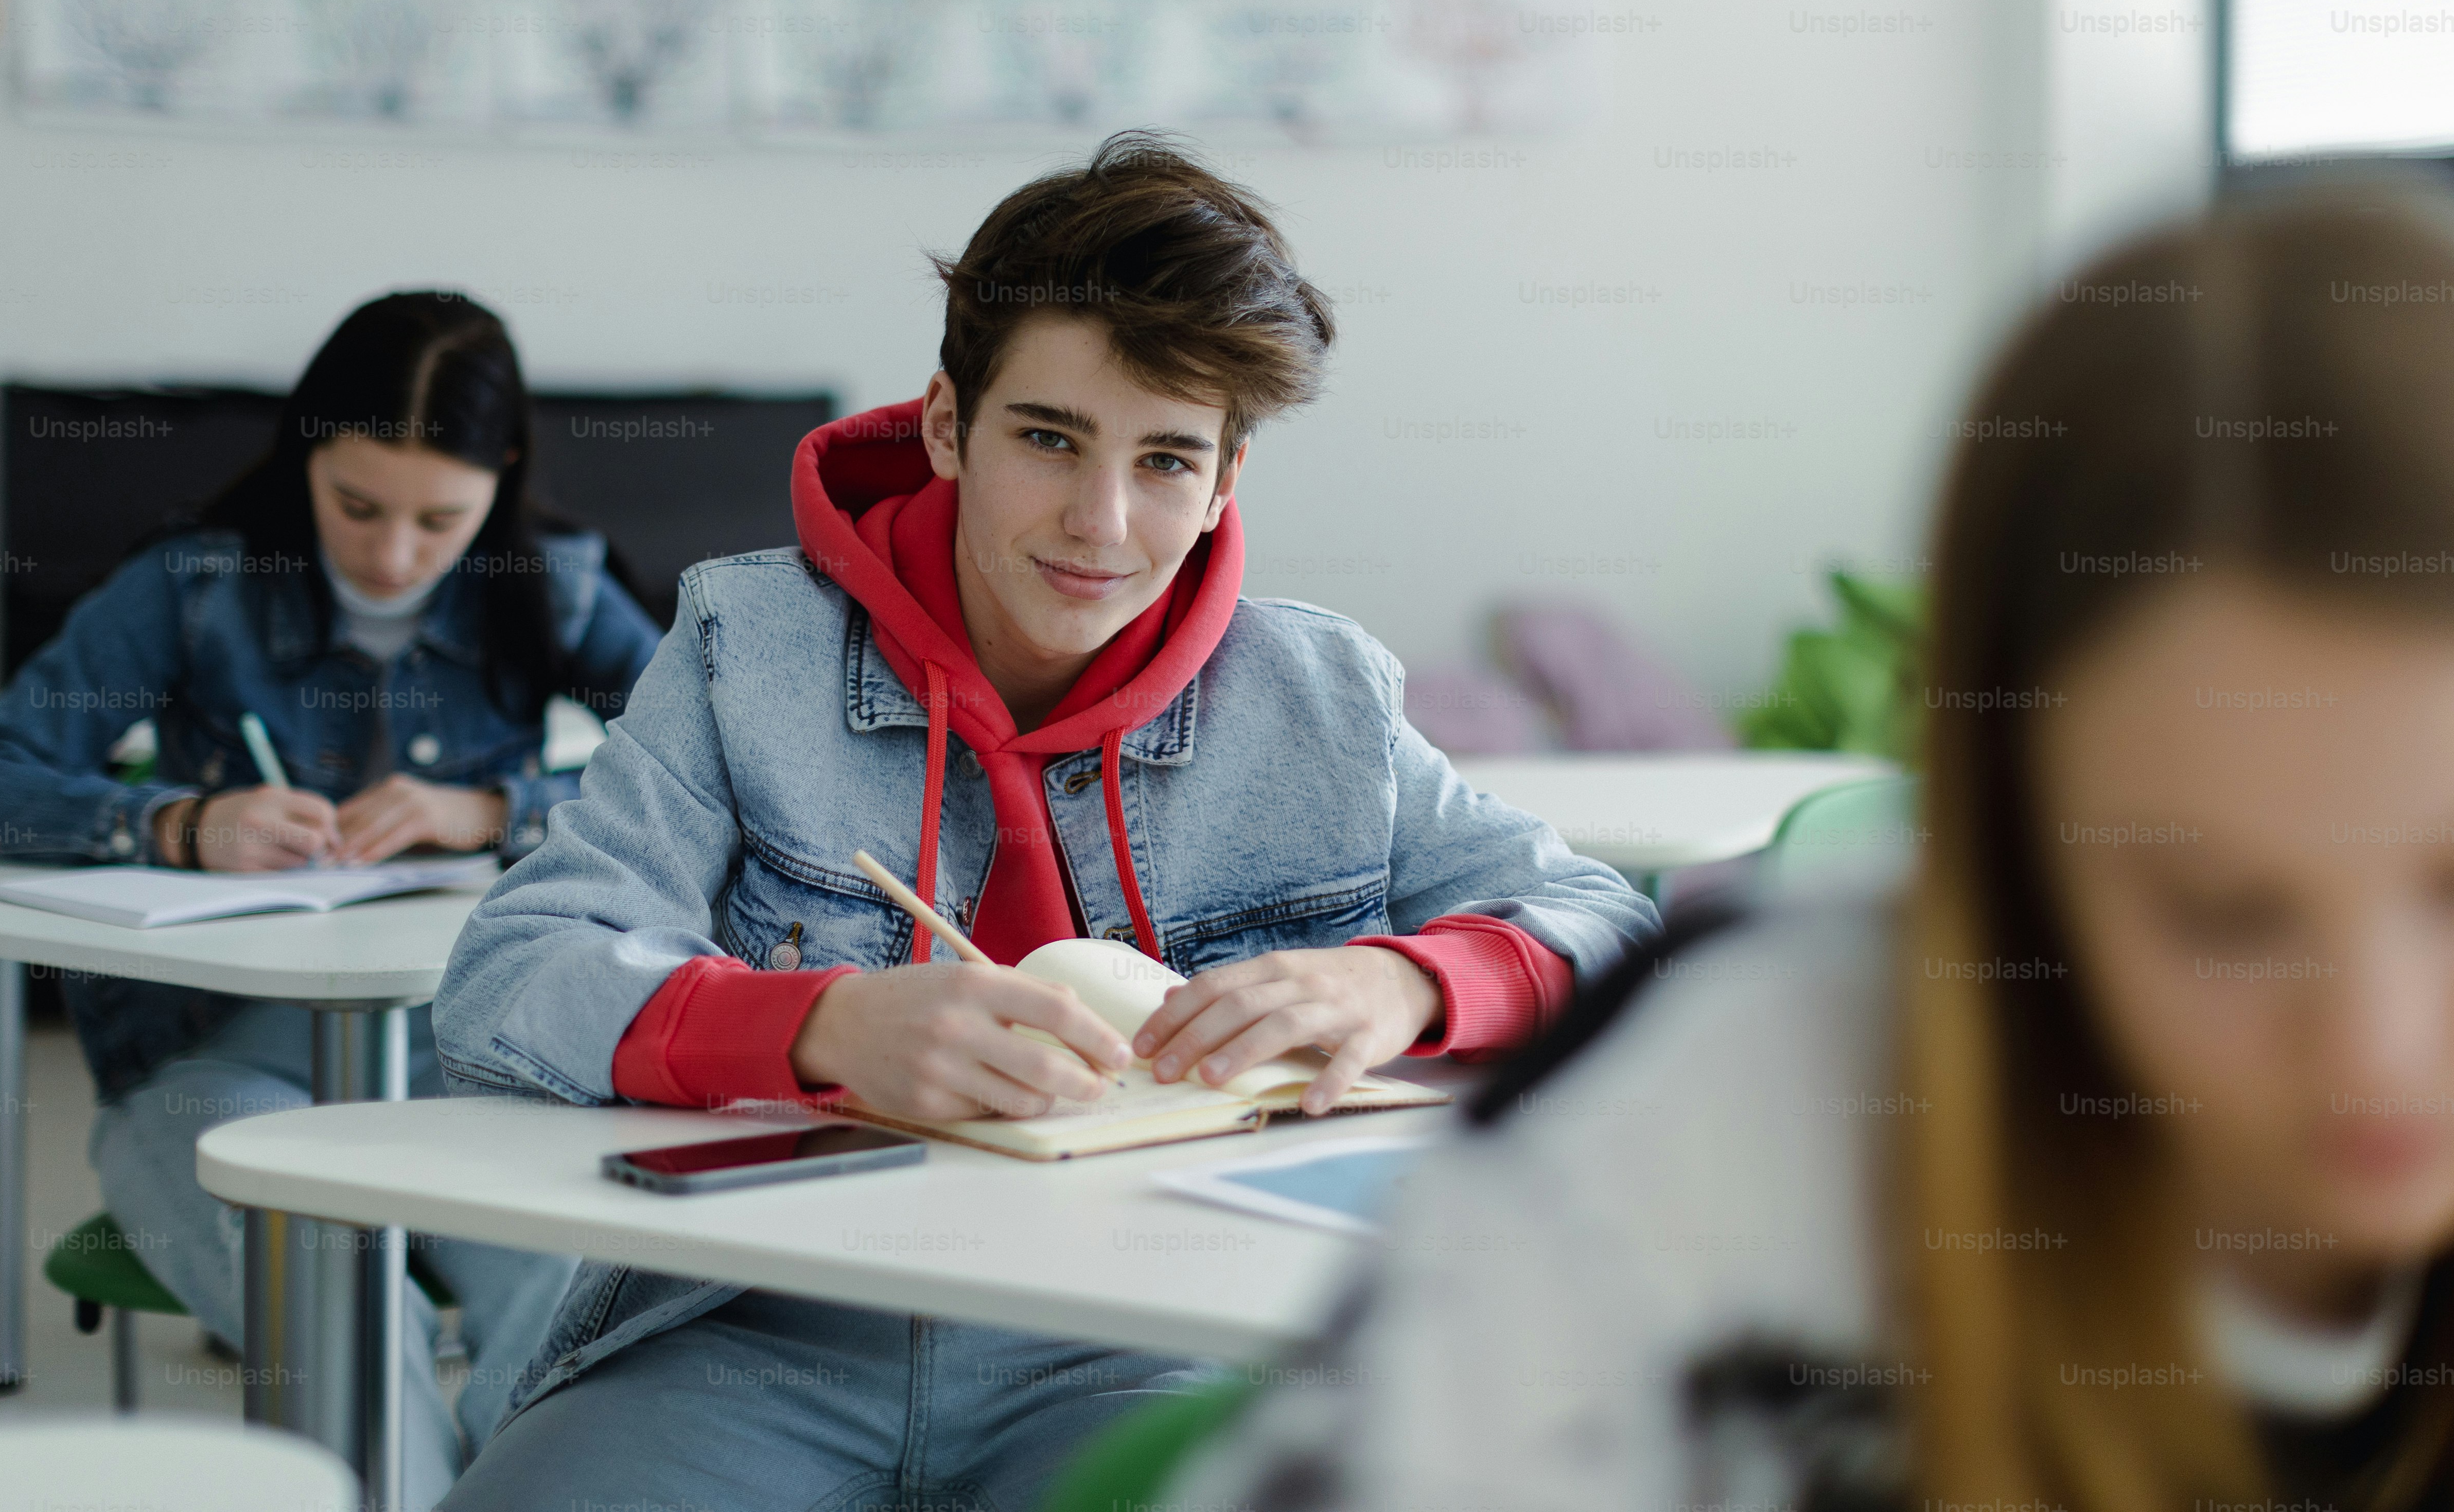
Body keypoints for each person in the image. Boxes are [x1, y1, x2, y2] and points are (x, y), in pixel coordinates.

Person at [1171, 172, 2454, 1511]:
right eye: (2224, 910)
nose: (2375, 1048)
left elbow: (1554, 900)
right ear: (2012, 866)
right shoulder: (1721, 1120)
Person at [431, 132, 1656, 1512]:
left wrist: (1401, 976)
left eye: (1167, 461)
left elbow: (1611, 926)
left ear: (1226, 480)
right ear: (949, 422)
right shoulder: (744, 645)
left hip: (1147, 1341)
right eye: (1048, 438)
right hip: (761, 1324)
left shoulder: (1322, 695)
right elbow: (507, 979)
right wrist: (823, 1026)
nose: (1101, 521)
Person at [0, 292, 662, 1503]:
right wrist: (175, 821)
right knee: (344, 1325)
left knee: (565, 1310)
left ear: (505, 473)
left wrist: (500, 807)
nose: (391, 554)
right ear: (307, 452)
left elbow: (705, 770)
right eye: (357, 505)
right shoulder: (194, 584)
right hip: (206, 1061)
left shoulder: (558, 586)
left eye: (440, 518)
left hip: (459, 1047)